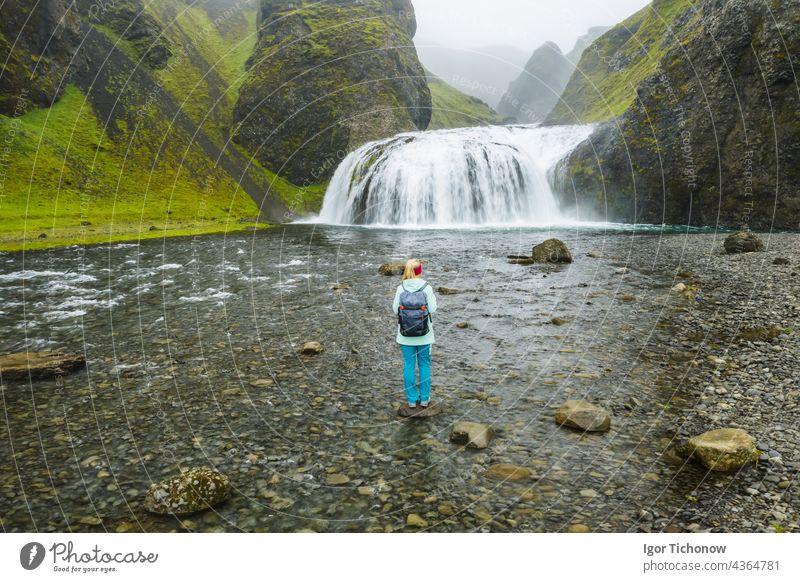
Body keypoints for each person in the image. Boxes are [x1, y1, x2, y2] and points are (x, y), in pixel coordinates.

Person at [392, 258, 438, 411]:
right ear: (420, 271)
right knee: (424, 364)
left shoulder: (401, 288)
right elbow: (432, 308)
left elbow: (394, 310)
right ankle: (425, 399)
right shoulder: (426, 287)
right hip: (425, 334)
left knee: (409, 366)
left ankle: (412, 400)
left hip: (405, 335)